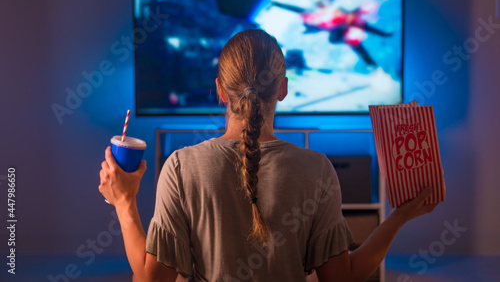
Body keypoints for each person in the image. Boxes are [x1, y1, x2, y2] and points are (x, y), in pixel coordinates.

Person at [98, 29, 439, 282]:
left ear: (219, 90)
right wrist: (399, 216)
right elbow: (343, 279)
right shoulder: (317, 170)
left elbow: (150, 280)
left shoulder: (180, 167)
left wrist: (125, 205)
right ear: (284, 89)